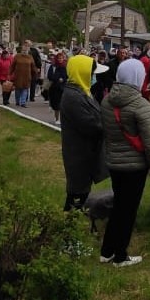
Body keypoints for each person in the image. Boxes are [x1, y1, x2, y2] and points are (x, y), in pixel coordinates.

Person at [99, 58, 150, 267]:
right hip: (134, 167)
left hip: (114, 163)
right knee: (127, 211)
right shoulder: (141, 105)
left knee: (119, 207)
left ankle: (107, 250)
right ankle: (120, 256)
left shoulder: (107, 101)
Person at [60, 55, 108, 211]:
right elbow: (91, 125)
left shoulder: (83, 91)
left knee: (82, 188)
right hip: (79, 151)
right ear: (82, 72)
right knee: (77, 190)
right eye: (92, 73)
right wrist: (109, 125)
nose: (94, 77)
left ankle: (74, 218)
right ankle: (70, 223)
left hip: (86, 150)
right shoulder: (73, 97)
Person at [9, 42, 38, 107]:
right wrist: (9, 73)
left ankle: (23, 102)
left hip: (27, 76)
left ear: (28, 50)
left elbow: (33, 66)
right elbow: (12, 66)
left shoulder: (30, 57)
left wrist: (36, 72)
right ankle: (17, 101)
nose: (24, 51)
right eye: (23, 50)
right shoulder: (17, 56)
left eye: (26, 50)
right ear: (21, 50)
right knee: (18, 89)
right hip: (18, 76)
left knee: (25, 89)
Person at [46, 50, 68, 125]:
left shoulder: (65, 67)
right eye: (58, 58)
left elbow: (67, 76)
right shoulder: (53, 66)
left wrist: (63, 79)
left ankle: (60, 118)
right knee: (56, 104)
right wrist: (57, 79)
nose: (60, 59)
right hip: (54, 87)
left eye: (61, 58)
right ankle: (57, 118)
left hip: (62, 88)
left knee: (61, 104)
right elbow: (49, 76)